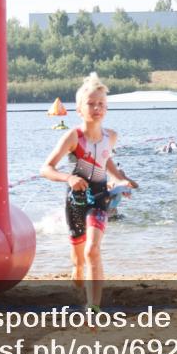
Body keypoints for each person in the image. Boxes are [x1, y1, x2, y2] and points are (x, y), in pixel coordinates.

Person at [40, 72, 138, 311]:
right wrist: (69, 177)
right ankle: (76, 268)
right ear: (79, 110)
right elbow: (46, 168)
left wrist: (122, 179)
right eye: (91, 104)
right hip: (76, 199)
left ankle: (93, 306)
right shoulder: (73, 137)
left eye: (101, 104)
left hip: (99, 198)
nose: (97, 108)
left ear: (106, 108)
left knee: (93, 249)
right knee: (78, 256)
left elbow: (106, 162)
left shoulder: (111, 136)